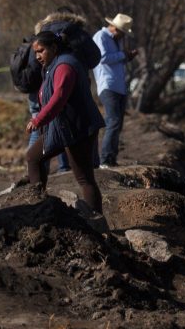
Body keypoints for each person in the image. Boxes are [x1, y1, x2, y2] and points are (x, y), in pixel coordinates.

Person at [25, 30, 105, 213]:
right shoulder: (53, 65)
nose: (37, 56)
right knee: (33, 157)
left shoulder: (65, 66)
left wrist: (39, 119)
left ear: (54, 47)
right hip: (62, 128)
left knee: (84, 179)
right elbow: (49, 97)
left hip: (79, 129)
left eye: (41, 51)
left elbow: (59, 97)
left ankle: (96, 221)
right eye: (35, 52)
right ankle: (39, 206)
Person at [92, 13, 137, 168]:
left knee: (117, 123)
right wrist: (122, 55)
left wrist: (126, 57)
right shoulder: (101, 37)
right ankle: (105, 159)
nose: (123, 37)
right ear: (115, 29)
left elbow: (114, 60)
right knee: (113, 121)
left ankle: (111, 157)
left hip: (118, 86)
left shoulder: (115, 40)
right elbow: (102, 58)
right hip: (108, 85)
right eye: (122, 33)